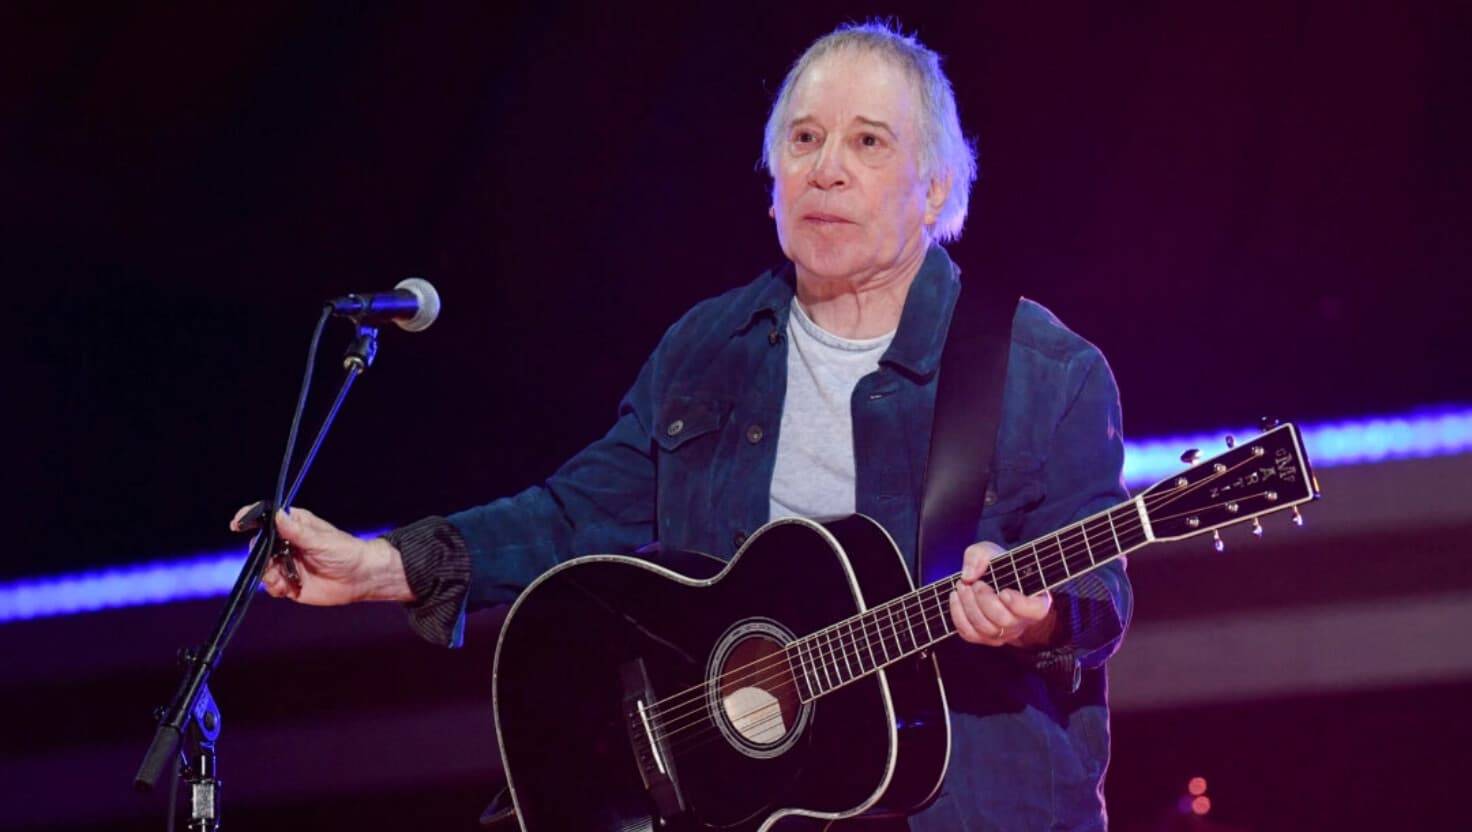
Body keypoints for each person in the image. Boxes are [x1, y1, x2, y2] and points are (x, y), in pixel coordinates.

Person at [237, 20, 1131, 831]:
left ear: (934, 188)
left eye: (868, 143)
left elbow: (1100, 594)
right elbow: (573, 520)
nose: (827, 169)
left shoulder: (1042, 369)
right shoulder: (709, 348)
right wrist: (381, 568)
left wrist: (1038, 617)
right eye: (804, 139)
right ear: (772, 180)